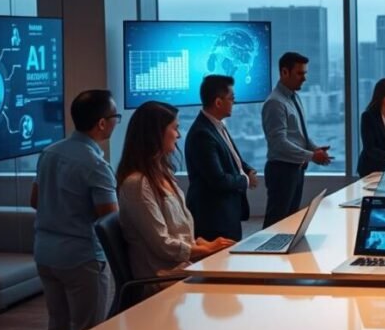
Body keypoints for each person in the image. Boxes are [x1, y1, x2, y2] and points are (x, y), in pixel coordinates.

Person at [31, 89, 120, 330]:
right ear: (101, 123)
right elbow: (110, 219)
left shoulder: (49, 153)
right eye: (115, 117)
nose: (116, 122)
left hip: (45, 253)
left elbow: (34, 200)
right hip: (82, 258)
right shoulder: (96, 165)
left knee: (57, 326)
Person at [116, 101, 234, 295]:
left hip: (181, 269)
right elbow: (163, 245)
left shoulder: (163, 175)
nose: (178, 135)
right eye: (174, 128)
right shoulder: (137, 184)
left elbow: (177, 232)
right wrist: (203, 250)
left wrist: (201, 243)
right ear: (156, 134)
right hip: (162, 279)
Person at [262, 51, 332, 228]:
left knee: (289, 221)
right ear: (284, 72)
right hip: (281, 170)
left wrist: (314, 149)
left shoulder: (294, 97)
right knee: (276, 223)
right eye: (300, 73)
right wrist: (312, 156)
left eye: (305, 73)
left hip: (295, 168)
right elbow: (279, 143)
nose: (304, 78)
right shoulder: (275, 103)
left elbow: (299, 135)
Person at [184, 74, 257, 241]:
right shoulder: (202, 134)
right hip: (214, 219)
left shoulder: (216, 126)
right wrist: (246, 180)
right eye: (231, 98)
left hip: (226, 214)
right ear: (218, 102)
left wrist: (246, 169)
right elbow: (218, 180)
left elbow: (230, 156)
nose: (234, 103)